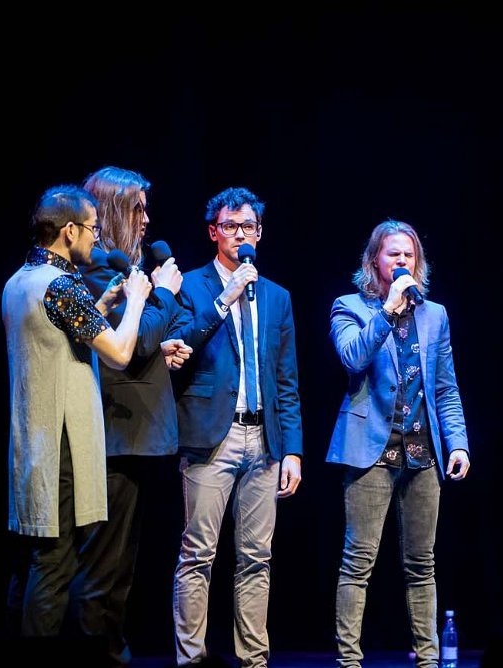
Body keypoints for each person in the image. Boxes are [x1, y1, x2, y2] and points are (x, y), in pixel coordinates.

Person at [4, 185, 151, 637]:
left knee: (32, 563)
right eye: (92, 229)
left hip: (32, 440)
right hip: (60, 447)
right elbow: (119, 354)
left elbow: (52, 336)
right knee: (55, 566)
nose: (96, 238)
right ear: (69, 231)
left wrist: (101, 305)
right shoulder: (62, 286)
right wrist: (138, 299)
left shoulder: (20, 280)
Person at [326, 219, 471, 668]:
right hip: (371, 450)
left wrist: (458, 443)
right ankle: (349, 661)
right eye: (394, 254)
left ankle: (429, 660)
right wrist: (387, 312)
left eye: (409, 254)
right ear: (375, 261)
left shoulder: (435, 315)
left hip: (423, 452)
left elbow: (445, 387)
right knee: (358, 562)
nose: (403, 261)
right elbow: (353, 357)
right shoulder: (349, 306)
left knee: (422, 565)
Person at [169, 187, 303, 668]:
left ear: (259, 233)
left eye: (248, 226)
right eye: (230, 226)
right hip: (211, 438)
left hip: (264, 440)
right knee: (197, 555)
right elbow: (179, 347)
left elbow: (286, 379)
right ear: (214, 232)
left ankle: (254, 660)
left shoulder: (277, 297)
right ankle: (192, 660)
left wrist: (292, 450)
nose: (239, 235)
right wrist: (225, 299)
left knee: (256, 559)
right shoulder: (190, 285)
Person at [77, 166, 188, 666]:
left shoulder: (126, 269)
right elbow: (136, 341)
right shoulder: (100, 268)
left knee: (121, 569)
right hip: (114, 438)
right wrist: (162, 293)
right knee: (103, 569)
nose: (146, 219)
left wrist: (160, 334)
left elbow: (149, 338)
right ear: (113, 211)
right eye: (137, 209)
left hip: (135, 438)